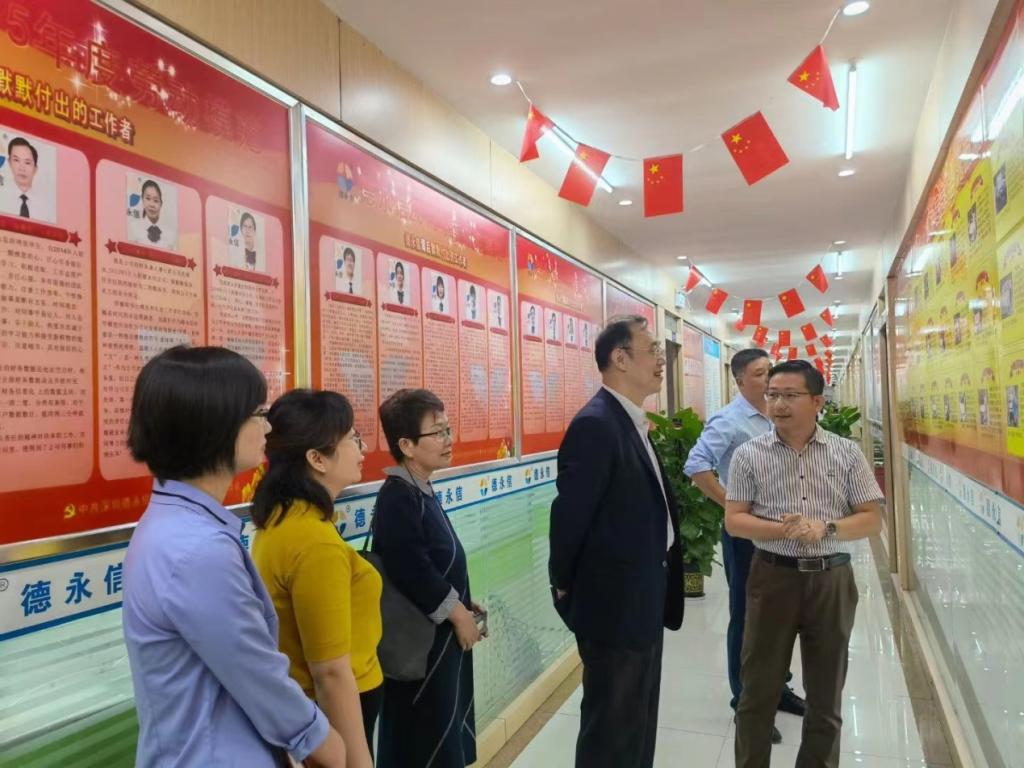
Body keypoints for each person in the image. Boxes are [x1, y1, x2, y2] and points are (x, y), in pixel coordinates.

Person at [122, 346, 346, 768]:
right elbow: (256, 672)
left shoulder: (176, 524)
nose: (268, 427)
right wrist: (323, 742)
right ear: (216, 425)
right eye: (258, 413)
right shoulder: (197, 550)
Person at [726, 360, 883, 768]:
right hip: (772, 577)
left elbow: (872, 518)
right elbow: (734, 520)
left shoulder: (846, 453)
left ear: (817, 402)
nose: (778, 404)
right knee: (756, 694)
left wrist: (825, 527)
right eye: (773, 395)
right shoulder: (748, 455)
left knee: (826, 698)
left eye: (790, 395)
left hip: (831, 580)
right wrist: (783, 528)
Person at [549, 315, 684, 768]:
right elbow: (569, 517)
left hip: (643, 596)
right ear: (620, 358)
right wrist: (563, 584)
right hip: (613, 607)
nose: (661, 361)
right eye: (652, 350)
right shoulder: (596, 424)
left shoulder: (629, 420)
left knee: (637, 722)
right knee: (611, 731)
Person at [251, 389, 381, 768]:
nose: (363, 448)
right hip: (336, 710)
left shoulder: (282, 519)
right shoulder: (314, 542)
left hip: (312, 710)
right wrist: (358, 763)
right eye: (353, 438)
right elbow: (331, 673)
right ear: (317, 458)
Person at [683, 348, 805, 744]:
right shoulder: (730, 420)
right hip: (748, 539)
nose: (768, 378)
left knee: (781, 614)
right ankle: (746, 702)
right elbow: (696, 464)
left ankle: (778, 688)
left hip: (783, 534)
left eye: (769, 370)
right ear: (738, 381)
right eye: (759, 373)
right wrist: (732, 505)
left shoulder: (777, 416)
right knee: (748, 618)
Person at [373, 388, 484, 768]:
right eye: (437, 432)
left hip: (439, 637)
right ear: (406, 445)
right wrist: (458, 614)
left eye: (447, 429)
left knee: (443, 726)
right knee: (424, 736)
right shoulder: (397, 496)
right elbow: (411, 568)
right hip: (422, 647)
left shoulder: (419, 489)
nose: (448, 439)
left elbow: (435, 562)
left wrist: (464, 601)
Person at [1, 137, 55, 222]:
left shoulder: (46, 209)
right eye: (16, 160)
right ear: (9, 163)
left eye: (27, 163)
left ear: (35, 169)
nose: (22, 168)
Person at [129, 179, 177, 250]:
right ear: (142, 200)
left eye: (156, 200)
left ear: (161, 204)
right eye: (148, 198)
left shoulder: (170, 235)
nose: (152, 205)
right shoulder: (133, 228)